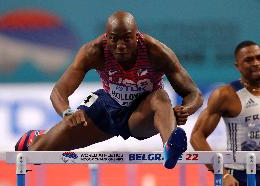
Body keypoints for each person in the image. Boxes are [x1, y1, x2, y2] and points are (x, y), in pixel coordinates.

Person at [15, 11, 203, 169]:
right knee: (35, 153)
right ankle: (38, 137)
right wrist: (67, 112)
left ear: (137, 36)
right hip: (106, 108)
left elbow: (194, 94)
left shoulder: (157, 52)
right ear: (106, 37)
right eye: (114, 39)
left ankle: (170, 145)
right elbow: (59, 91)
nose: (120, 45)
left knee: (161, 97)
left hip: (141, 114)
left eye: (127, 39)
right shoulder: (94, 51)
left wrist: (186, 109)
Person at [190, 41, 260, 185]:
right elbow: (197, 136)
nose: (255, 63)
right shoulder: (226, 95)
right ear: (237, 66)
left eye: (259, 58)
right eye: (248, 60)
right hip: (241, 176)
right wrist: (223, 174)